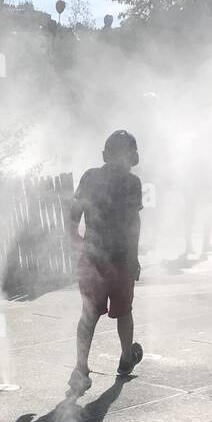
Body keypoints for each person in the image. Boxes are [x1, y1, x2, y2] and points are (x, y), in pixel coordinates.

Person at [67, 129, 143, 393]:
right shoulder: (133, 183)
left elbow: (75, 211)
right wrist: (134, 259)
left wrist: (73, 237)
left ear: (104, 154)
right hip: (120, 259)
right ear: (132, 157)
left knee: (89, 313)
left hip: (93, 257)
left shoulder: (90, 176)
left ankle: (80, 367)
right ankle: (125, 358)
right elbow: (134, 223)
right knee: (124, 311)